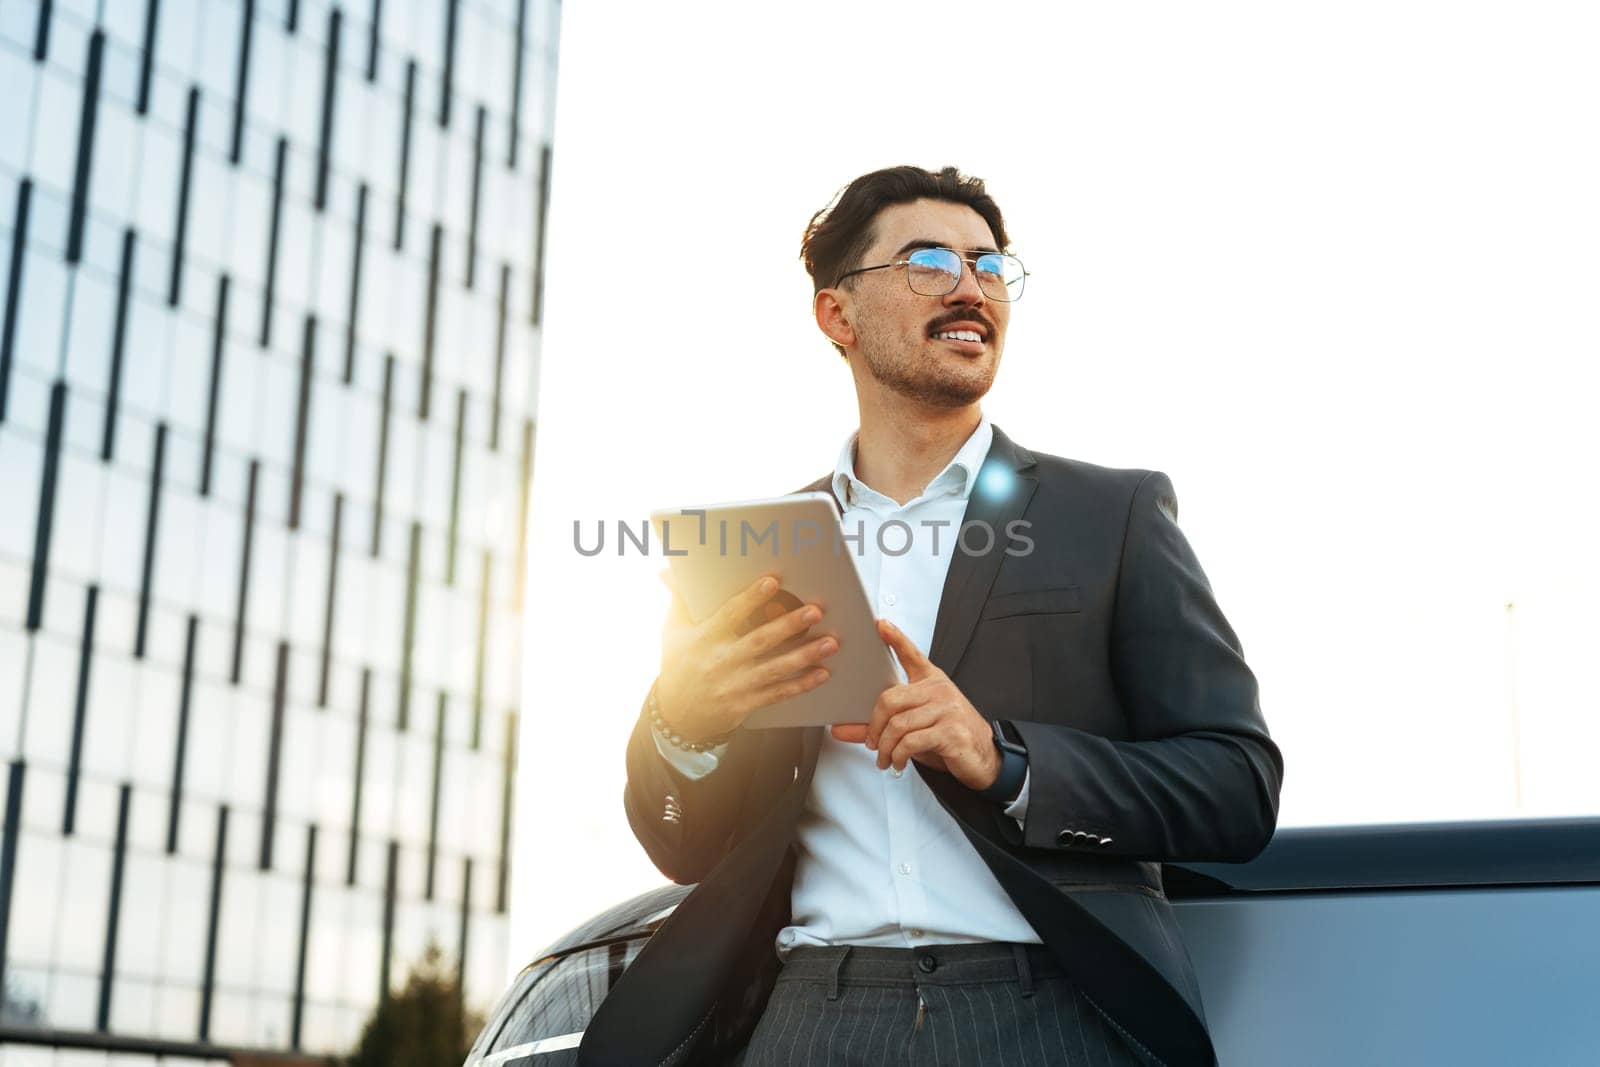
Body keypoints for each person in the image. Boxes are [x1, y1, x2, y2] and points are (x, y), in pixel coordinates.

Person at [578, 165, 1283, 1066]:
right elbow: (681, 843)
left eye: (991, 266)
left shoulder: (1114, 516)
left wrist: (1006, 759)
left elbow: (1237, 782)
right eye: (928, 260)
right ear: (838, 315)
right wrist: (687, 725)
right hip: (810, 1018)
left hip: (1050, 1012)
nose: (969, 286)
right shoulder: (749, 554)